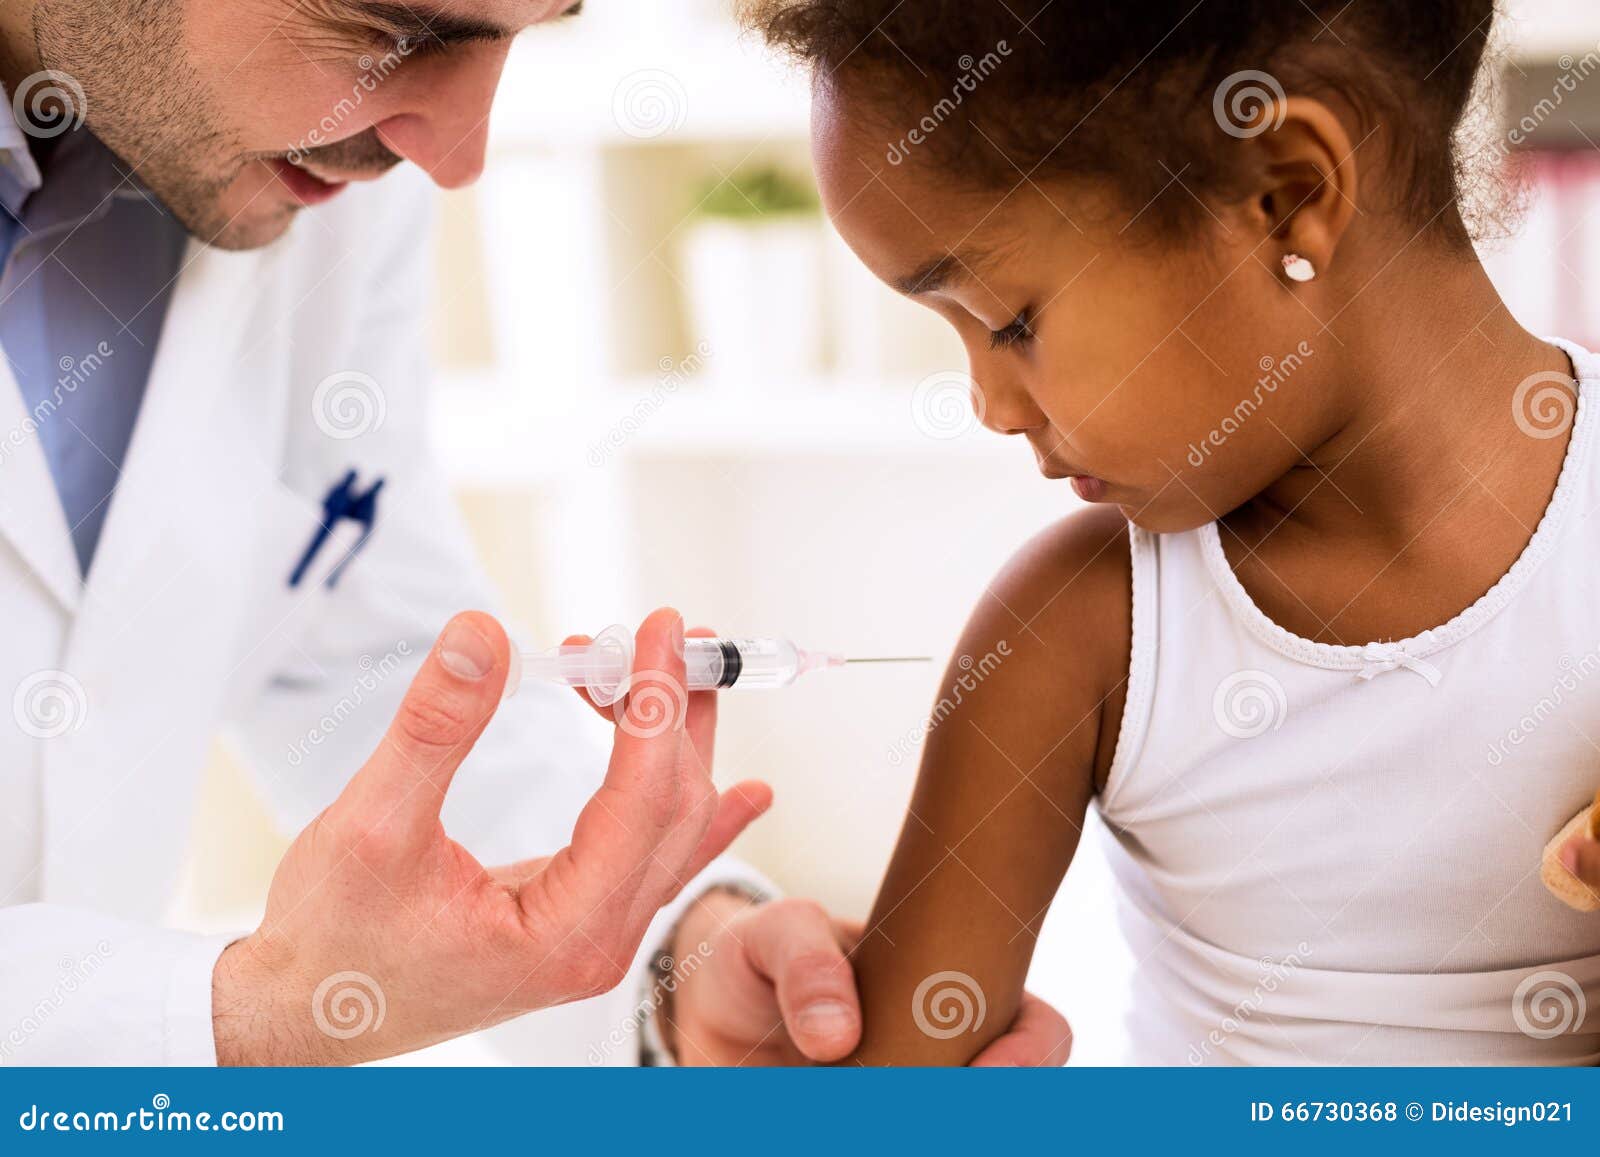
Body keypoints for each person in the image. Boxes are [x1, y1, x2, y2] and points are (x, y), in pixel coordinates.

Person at [0, 0, 1072, 1066]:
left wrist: (668, 971)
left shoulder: (323, 175)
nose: (457, 157)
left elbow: (359, 643)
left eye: (529, 32)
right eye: (395, 32)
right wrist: (244, 1010)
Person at [744, 0, 1600, 1064]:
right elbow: (882, 1108)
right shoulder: (1078, 630)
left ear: (1287, 193)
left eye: (1010, 321)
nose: (992, 406)